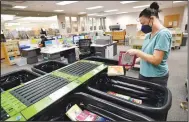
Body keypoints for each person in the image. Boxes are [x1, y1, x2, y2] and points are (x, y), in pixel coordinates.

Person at [127, 2, 172, 87]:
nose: (142, 27)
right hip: (143, 74)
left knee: (154, 100)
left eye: (143, 23)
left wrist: (137, 52)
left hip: (156, 77)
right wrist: (132, 62)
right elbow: (145, 55)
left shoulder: (163, 34)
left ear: (151, 19)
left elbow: (156, 60)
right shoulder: (148, 35)